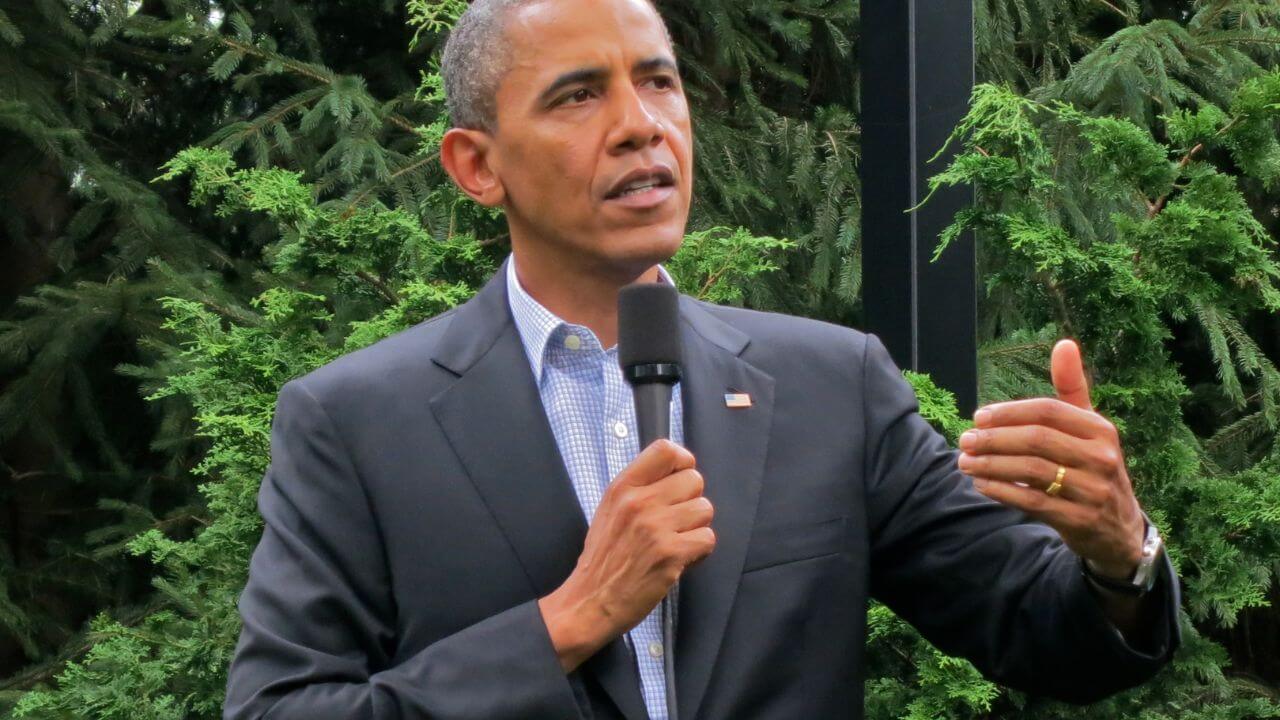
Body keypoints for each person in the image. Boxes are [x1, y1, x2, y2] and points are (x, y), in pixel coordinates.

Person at [222, 0, 1180, 718]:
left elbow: (1050, 642)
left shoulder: (830, 385)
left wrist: (1117, 556)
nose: (642, 123)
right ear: (479, 165)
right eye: (578, 95)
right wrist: (566, 622)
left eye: (659, 80)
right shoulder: (355, 421)